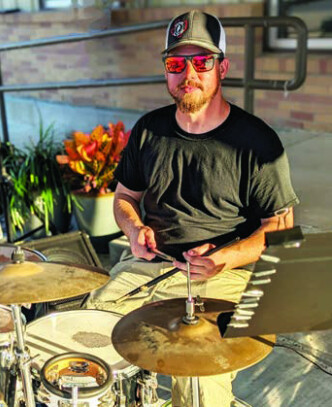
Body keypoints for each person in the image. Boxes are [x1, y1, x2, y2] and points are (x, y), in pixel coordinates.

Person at [86, 9, 299, 407]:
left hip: (224, 277)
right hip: (149, 266)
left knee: (199, 382)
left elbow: (283, 231)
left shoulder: (258, 142)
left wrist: (226, 257)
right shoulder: (148, 130)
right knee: (83, 339)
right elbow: (125, 198)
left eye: (202, 62)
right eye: (176, 63)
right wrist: (134, 230)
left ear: (223, 68)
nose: (189, 74)